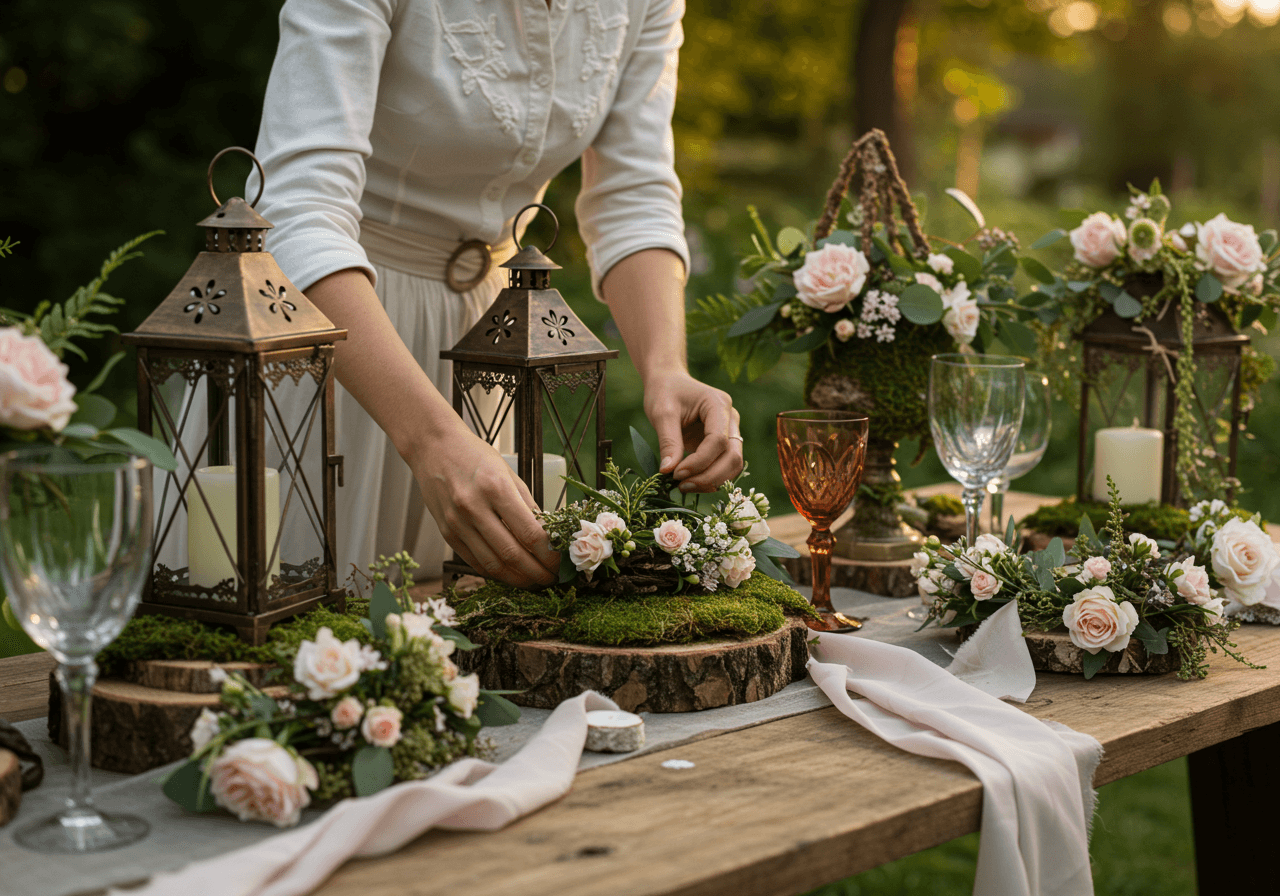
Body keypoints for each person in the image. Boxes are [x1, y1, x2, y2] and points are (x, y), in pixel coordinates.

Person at [250, 0, 741, 588]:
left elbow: (633, 196)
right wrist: (432, 439)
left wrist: (667, 370)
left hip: (490, 353)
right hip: (340, 338)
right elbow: (298, 213)